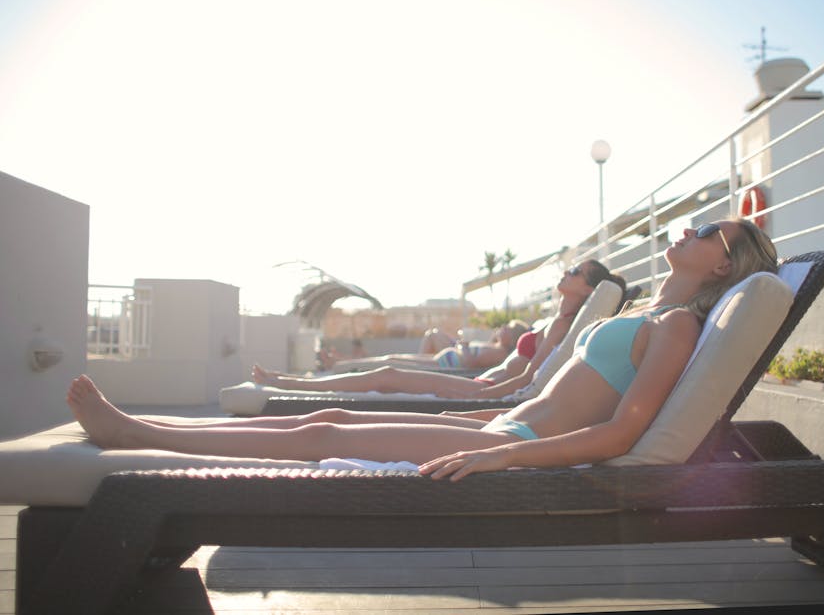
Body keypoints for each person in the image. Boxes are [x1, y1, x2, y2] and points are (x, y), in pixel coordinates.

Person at [64, 219, 777, 481]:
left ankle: (138, 432)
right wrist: (494, 429)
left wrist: (503, 453)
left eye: (708, 231)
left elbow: (624, 431)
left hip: (514, 437)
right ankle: (153, 429)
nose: (687, 229)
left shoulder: (679, 326)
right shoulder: (656, 308)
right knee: (327, 426)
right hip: (501, 422)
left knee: (322, 431)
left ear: (723, 265)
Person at [250, 259, 629, 400]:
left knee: (387, 374)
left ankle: (291, 385)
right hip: (481, 380)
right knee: (388, 371)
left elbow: (530, 379)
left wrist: (486, 394)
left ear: (587, 289)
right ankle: (292, 383)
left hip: (483, 387)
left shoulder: (563, 326)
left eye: (576, 272)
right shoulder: (554, 321)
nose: (568, 271)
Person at [327, 320, 531, 372]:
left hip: (444, 365)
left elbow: (469, 363)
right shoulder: (494, 347)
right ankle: (346, 362)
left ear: (512, 338)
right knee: (393, 358)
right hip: (442, 359)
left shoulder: (499, 354)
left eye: (508, 328)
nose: (503, 328)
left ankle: (345, 364)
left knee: (392, 361)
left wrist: (463, 346)